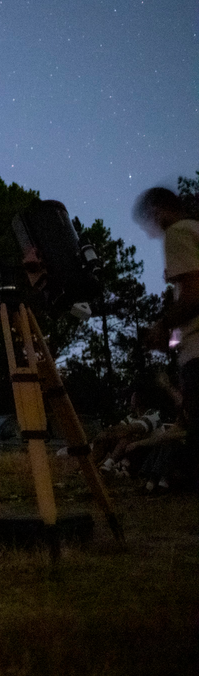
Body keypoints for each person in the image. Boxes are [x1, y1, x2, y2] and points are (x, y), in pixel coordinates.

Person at [134, 186, 199, 486]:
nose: (151, 232)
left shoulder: (178, 232)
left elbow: (194, 295)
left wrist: (161, 327)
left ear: (157, 211)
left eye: (148, 223)